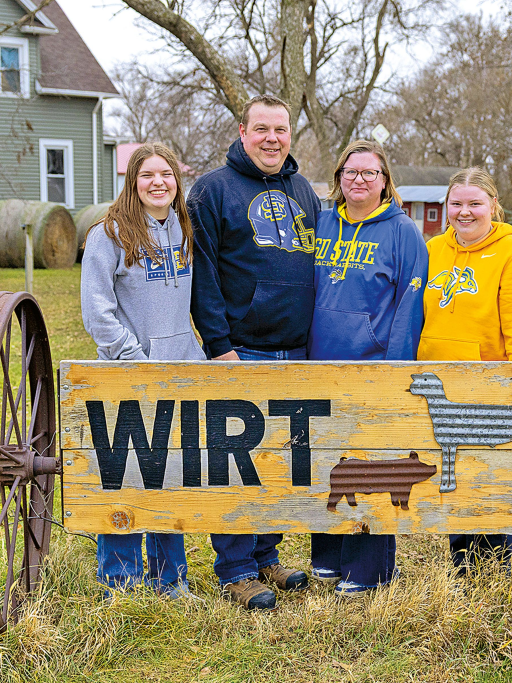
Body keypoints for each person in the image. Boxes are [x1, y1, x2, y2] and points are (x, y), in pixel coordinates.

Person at [188, 94, 321, 610]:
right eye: (261, 129)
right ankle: (236, 570)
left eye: (280, 129)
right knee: (237, 464)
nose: (272, 138)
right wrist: (219, 346)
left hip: (297, 352)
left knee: (279, 462)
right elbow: (203, 274)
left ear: (290, 134)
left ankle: (267, 556)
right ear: (242, 132)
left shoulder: (303, 190)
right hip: (242, 351)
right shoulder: (212, 191)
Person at [80, 141, 204, 600]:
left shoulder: (183, 229)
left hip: (179, 370)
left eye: (166, 174)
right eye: (148, 175)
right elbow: (97, 313)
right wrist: (135, 359)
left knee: (170, 474)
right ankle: (122, 582)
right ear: (132, 182)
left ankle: (170, 579)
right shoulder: (109, 234)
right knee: (127, 474)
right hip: (129, 373)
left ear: (177, 181)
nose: (158, 182)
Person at [307, 140, 428, 597]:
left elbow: (410, 305)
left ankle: (369, 569)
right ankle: (326, 557)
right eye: (350, 172)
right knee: (327, 462)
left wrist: (393, 369)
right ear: (339, 178)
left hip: (372, 366)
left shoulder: (403, 232)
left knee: (372, 465)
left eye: (369, 173)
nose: (359, 180)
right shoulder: (322, 223)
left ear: (384, 181)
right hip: (319, 364)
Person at [418, 167, 512, 575]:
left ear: (493, 205)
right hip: (441, 382)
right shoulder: (432, 250)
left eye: (475, 203)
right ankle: (463, 571)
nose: (465, 212)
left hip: (489, 389)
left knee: (488, 480)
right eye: (456, 203)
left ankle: (491, 575)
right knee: (455, 476)